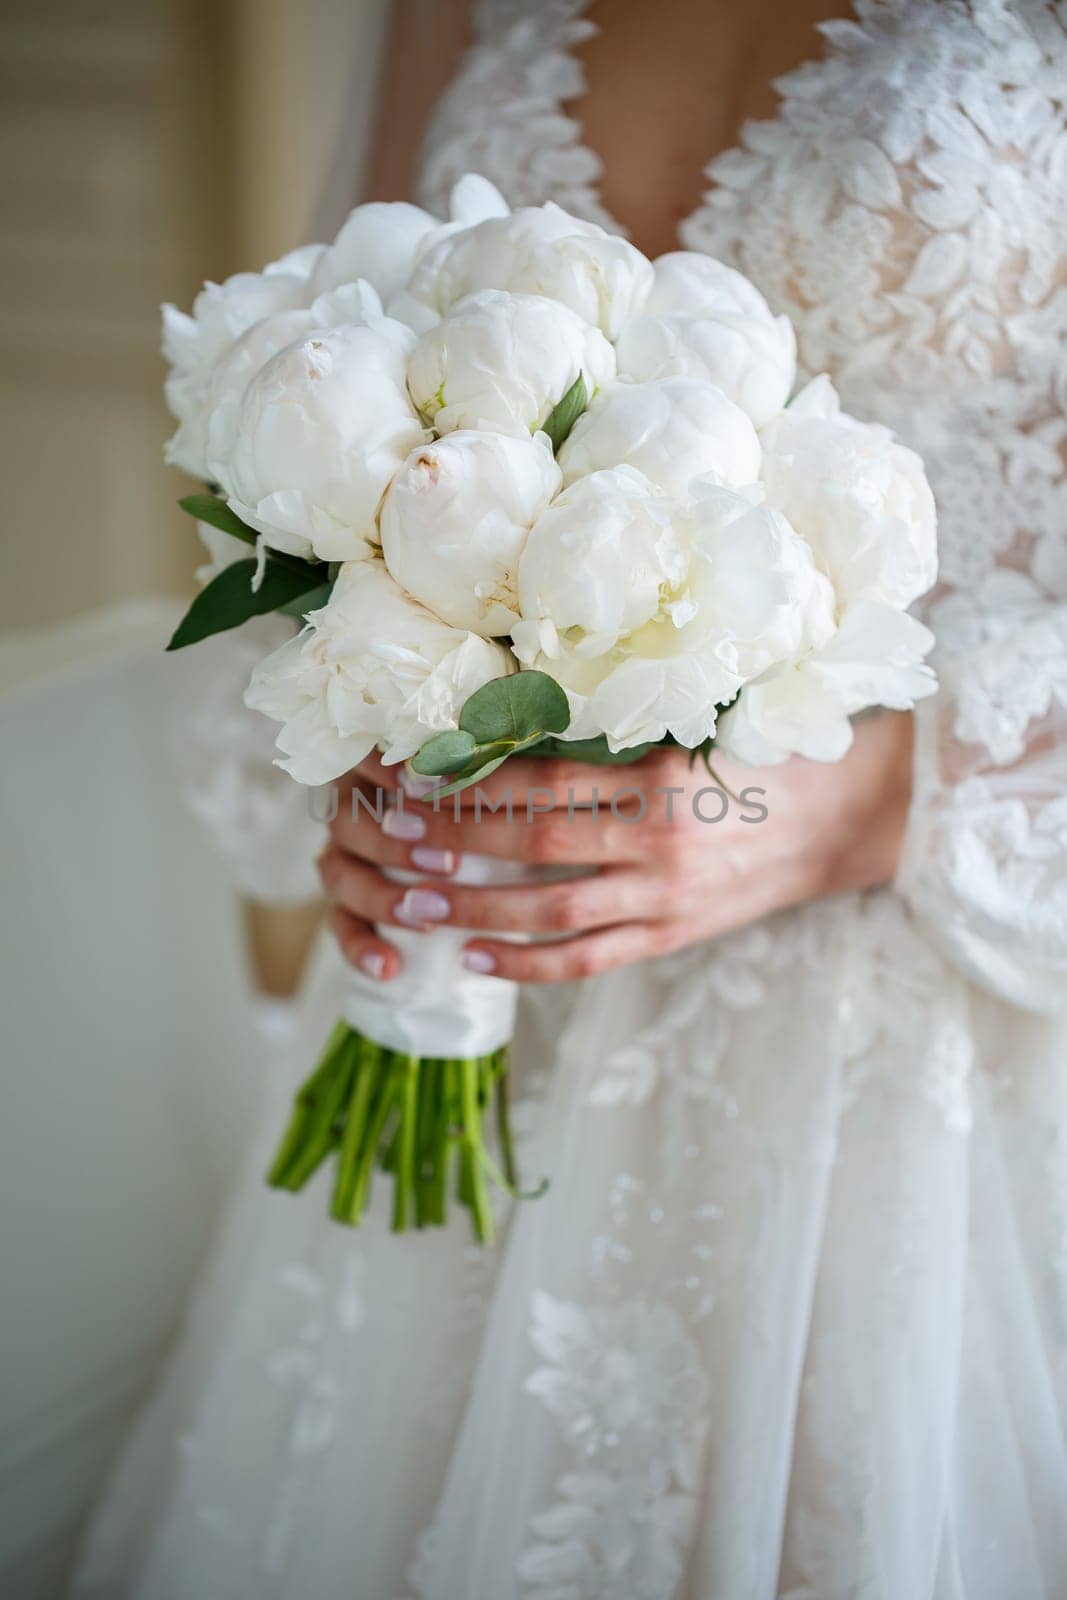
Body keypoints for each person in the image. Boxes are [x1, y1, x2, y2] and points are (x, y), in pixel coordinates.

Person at [71, 2, 1067, 1595]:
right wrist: (369, 723)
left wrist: (871, 795)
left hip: (903, 1078)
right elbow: (339, 383)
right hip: (476, 988)